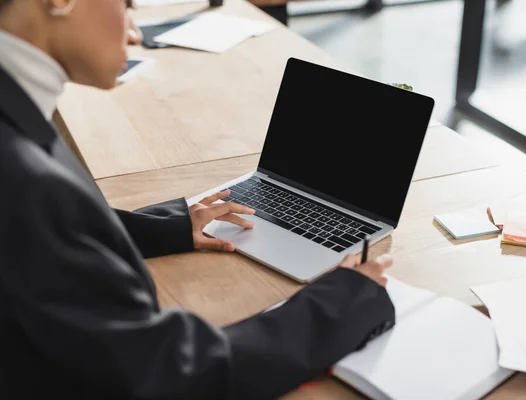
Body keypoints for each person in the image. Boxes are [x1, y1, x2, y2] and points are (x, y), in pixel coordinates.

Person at [0, 0, 395, 398]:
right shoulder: (27, 180)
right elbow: (172, 373)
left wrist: (167, 227)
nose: (134, 30)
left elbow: (42, 242)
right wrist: (341, 301)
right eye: (125, 3)